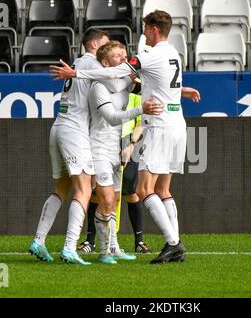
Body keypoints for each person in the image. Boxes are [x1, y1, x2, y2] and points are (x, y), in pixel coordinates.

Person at [50, 10, 200, 264]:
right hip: (177, 123)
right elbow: (145, 82)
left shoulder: (149, 56)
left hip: (160, 125)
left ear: (154, 29)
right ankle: (164, 241)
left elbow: (117, 75)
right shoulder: (174, 53)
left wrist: (77, 74)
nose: (142, 33)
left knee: (144, 189)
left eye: (144, 28)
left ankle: (173, 243)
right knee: (162, 189)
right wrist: (180, 91)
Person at [29, 29, 159, 265]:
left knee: (62, 188)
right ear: (94, 45)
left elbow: (127, 83)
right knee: (85, 190)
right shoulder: (93, 65)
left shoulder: (83, 64)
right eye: (106, 45)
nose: (107, 51)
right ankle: (70, 247)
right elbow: (117, 76)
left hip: (59, 126)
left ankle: (39, 240)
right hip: (75, 132)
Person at [85, 40, 162, 264]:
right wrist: (141, 109)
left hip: (116, 149)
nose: (124, 59)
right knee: (106, 199)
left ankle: (114, 247)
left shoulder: (126, 84)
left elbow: (151, 87)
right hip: (98, 148)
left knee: (116, 199)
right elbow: (111, 118)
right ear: (105, 63)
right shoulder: (98, 87)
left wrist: (180, 91)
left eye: (125, 55)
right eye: (119, 56)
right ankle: (103, 251)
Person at [78, 92, 152, 255]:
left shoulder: (135, 95)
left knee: (130, 193)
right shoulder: (106, 92)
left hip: (128, 146)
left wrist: (132, 144)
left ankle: (139, 241)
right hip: (106, 144)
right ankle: (90, 241)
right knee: (98, 194)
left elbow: (140, 123)